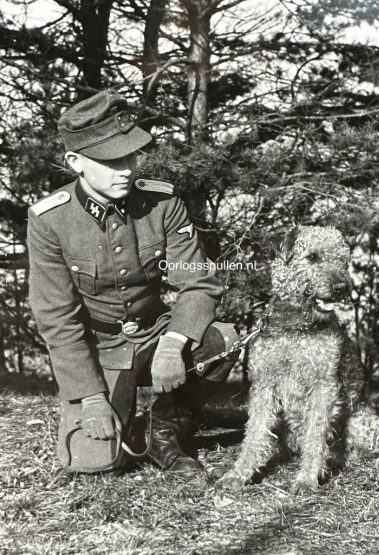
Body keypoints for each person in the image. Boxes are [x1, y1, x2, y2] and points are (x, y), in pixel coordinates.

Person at [27, 89, 239, 475]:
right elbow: (58, 320)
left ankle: (165, 430)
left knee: (221, 340)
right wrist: (91, 397)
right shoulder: (50, 220)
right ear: (76, 161)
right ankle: (124, 419)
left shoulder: (162, 203)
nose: (126, 168)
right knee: (96, 464)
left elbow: (199, 282)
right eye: (110, 159)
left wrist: (174, 344)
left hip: (155, 334)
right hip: (101, 350)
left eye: (131, 154)